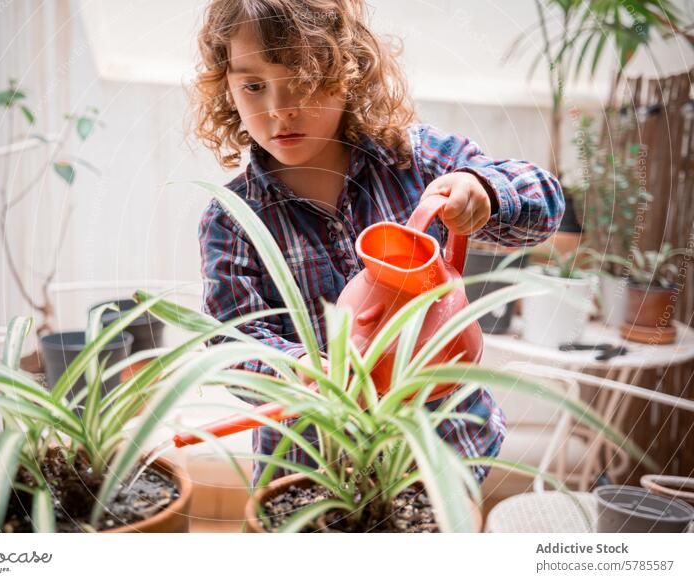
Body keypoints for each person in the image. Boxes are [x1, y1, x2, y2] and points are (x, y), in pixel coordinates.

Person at [193, 0, 564, 487]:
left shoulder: (418, 160)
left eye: (302, 79)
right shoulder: (234, 220)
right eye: (254, 85)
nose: (279, 109)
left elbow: (546, 203)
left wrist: (487, 193)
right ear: (227, 89)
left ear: (349, 70)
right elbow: (231, 339)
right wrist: (302, 368)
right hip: (314, 470)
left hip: (440, 449)